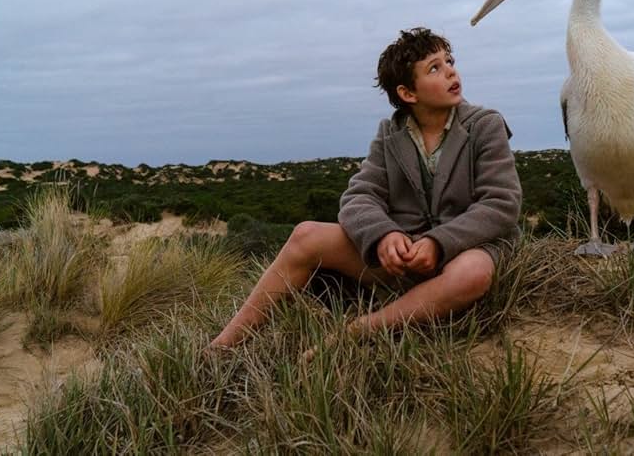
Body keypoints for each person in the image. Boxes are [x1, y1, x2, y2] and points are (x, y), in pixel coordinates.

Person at [210, 27, 522, 348]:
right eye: (434, 68)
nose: (450, 71)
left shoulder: (486, 125)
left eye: (449, 61)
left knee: (472, 273)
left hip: (468, 251)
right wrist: (384, 236)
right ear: (408, 93)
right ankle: (223, 346)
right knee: (305, 235)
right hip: (404, 258)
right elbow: (358, 197)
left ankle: (359, 330)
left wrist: (438, 242)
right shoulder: (389, 134)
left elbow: (501, 203)